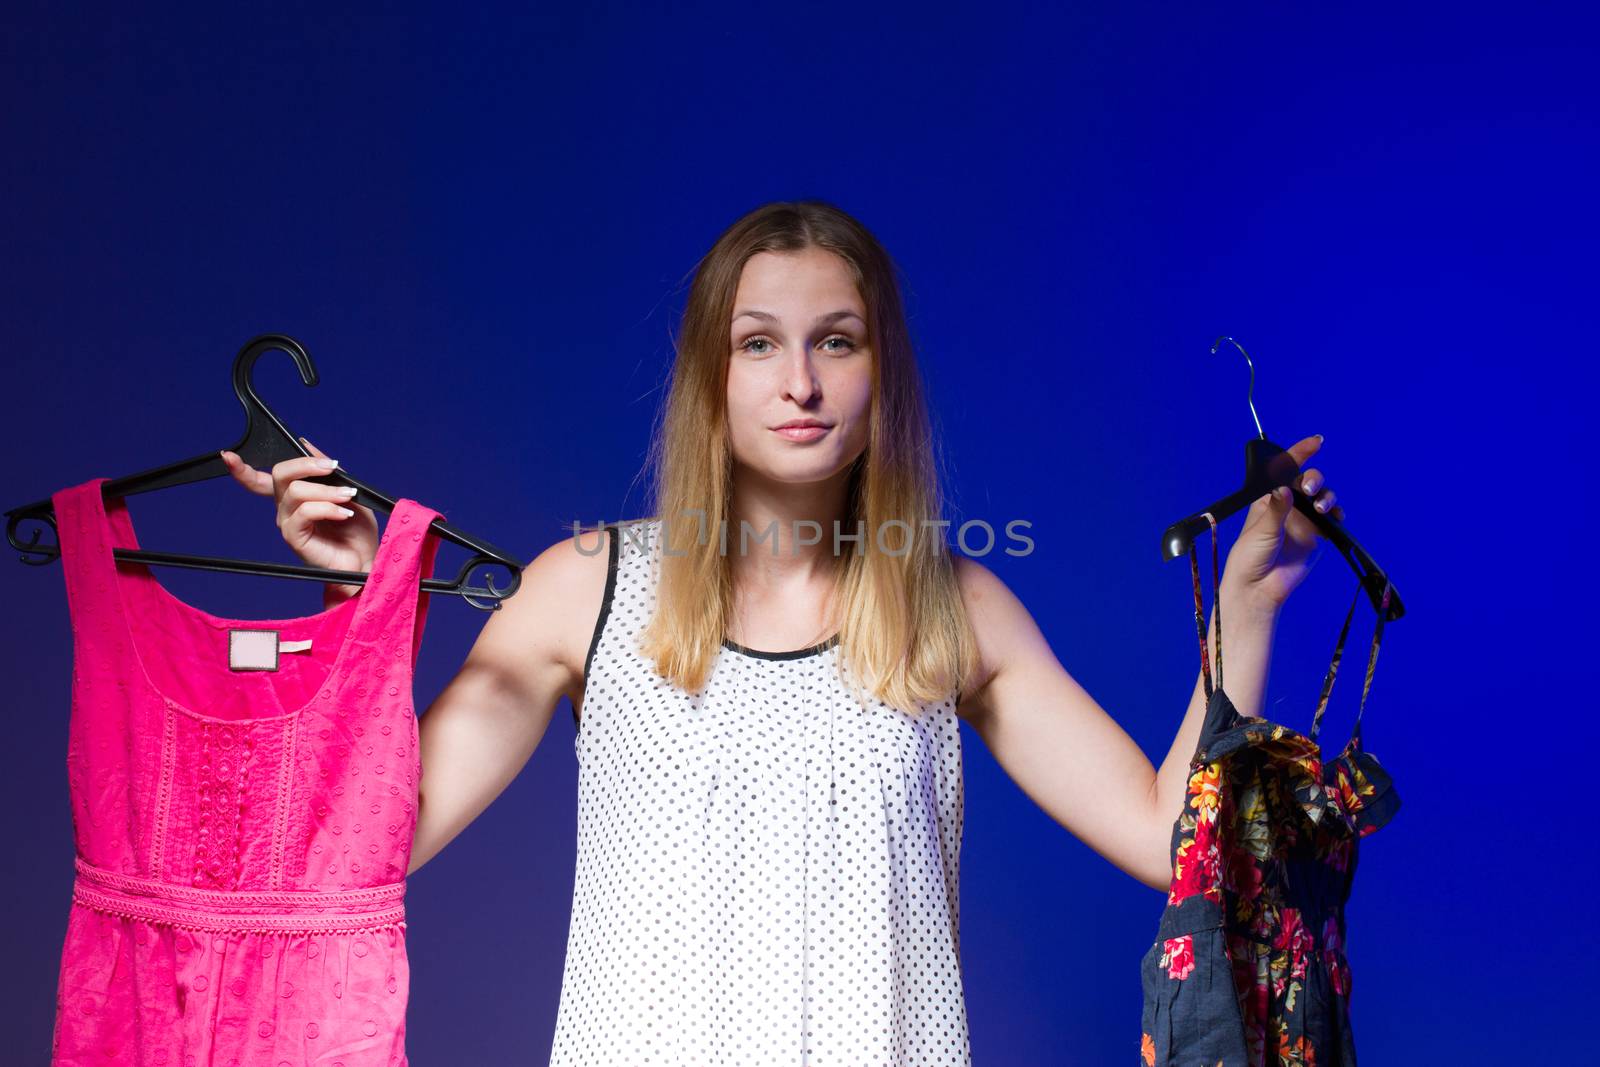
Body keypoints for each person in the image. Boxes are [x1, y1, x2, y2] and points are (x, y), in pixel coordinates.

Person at [220, 199, 1343, 1063]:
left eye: (836, 341)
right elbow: (372, 843)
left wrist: (1244, 602)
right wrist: (358, 614)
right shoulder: (581, 589)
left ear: (880, 372)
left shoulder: (952, 606)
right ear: (710, 371)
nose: (799, 381)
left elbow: (1165, 839)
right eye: (759, 342)